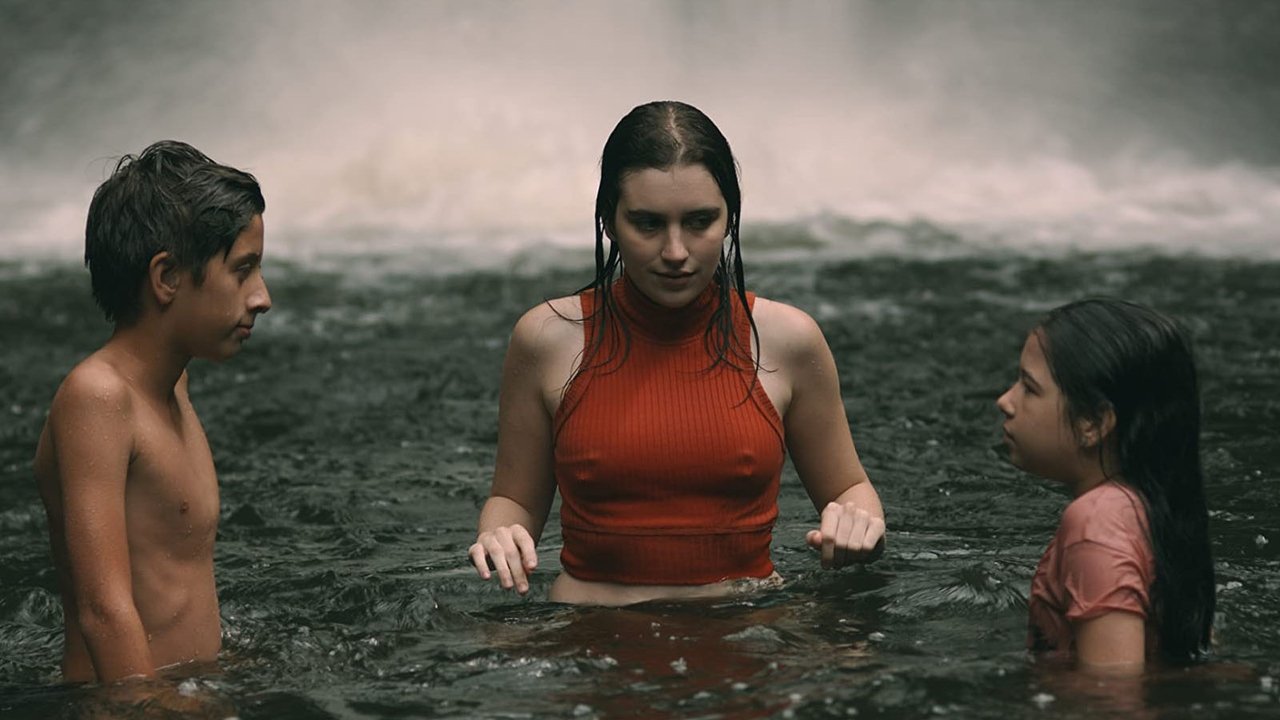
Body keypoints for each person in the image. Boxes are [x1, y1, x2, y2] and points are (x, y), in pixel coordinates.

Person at [468, 100, 885, 606]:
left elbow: (850, 490)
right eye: (647, 223)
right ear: (608, 221)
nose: (675, 252)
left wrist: (859, 525)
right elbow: (512, 500)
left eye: (699, 222)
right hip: (586, 646)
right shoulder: (547, 337)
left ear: (730, 218)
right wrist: (500, 535)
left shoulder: (787, 338)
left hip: (748, 637)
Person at [34, 140, 272, 684]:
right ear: (166, 278)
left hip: (190, 693)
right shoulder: (97, 398)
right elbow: (104, 613)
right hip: (126, 706)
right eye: (243, 270)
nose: (262, 297)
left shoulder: (173, 387)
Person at [996, 298, 1215, 673]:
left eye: (1029, 388)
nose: (1005, 401)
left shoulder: (1095, 523)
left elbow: (1112, 696)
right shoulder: (1154, 505)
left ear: (1093, 423)